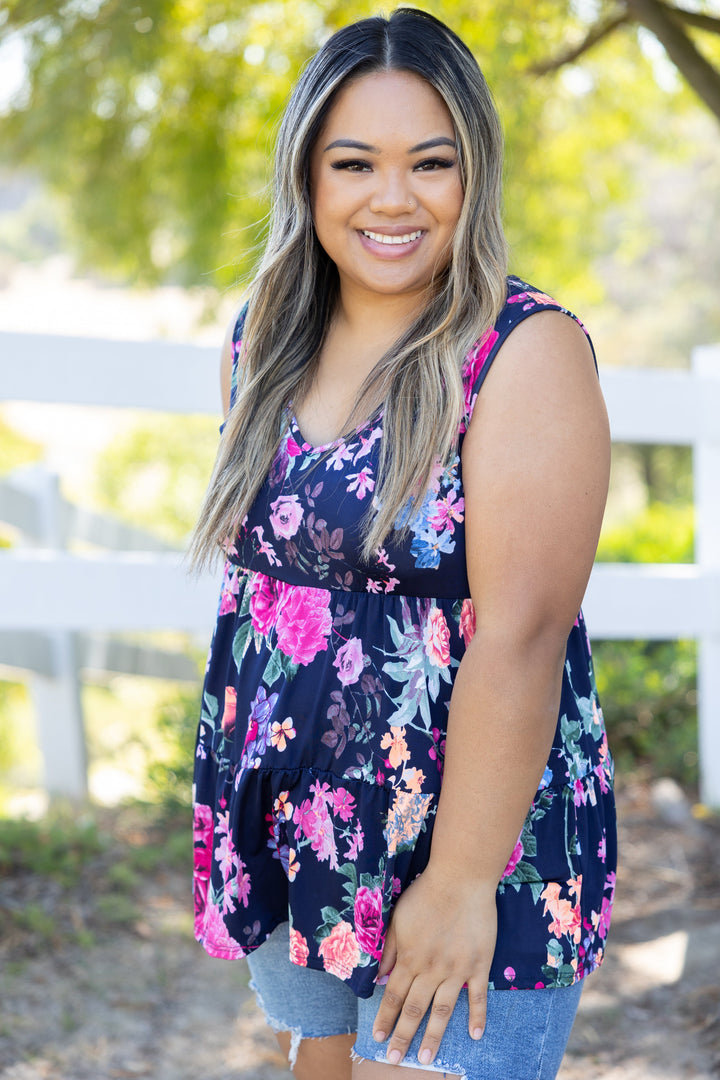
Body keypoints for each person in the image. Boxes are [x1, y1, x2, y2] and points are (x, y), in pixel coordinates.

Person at [187, 9, 616, 1079]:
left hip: (463, 849)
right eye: (355, 163)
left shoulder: (523, 353)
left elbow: (521, 633)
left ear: (475, 174)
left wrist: (464, 879)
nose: (393, 197)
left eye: (432, 162)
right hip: (298, 838)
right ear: (309, 177)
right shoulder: (266, 338)